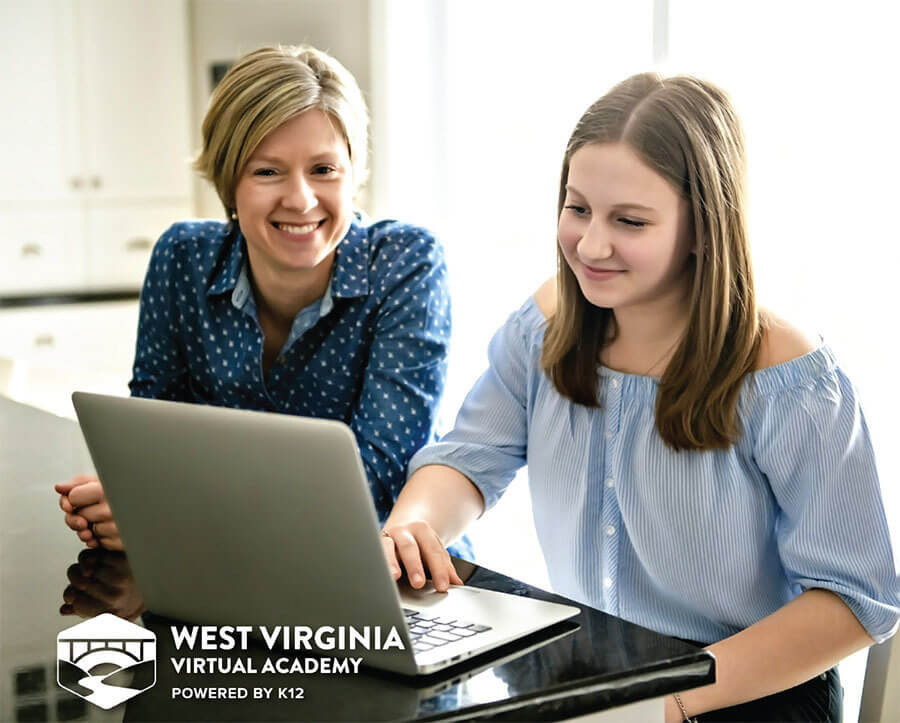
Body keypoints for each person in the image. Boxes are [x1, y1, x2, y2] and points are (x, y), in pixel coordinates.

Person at [380, 73, 899, 721]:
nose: (591, 245)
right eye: (577, 209)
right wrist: (414, 522)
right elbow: (468, 455)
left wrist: (670, 699)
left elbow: (855, 597)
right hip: (594, 674)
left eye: (629, 220)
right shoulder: (543, 326)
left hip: (745, 690)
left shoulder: (790, 377)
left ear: (703, 229)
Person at [56, 44, 471, 560]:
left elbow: (375, 474)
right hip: (223, 561)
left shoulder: (406, 260)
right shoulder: (182, 257)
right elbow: (151, 441)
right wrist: (124, 500)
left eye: (324, 169)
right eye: (268, 171)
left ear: (353, 174)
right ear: (229, 180)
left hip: (378, 566)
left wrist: (165, 511)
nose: (300, 199)